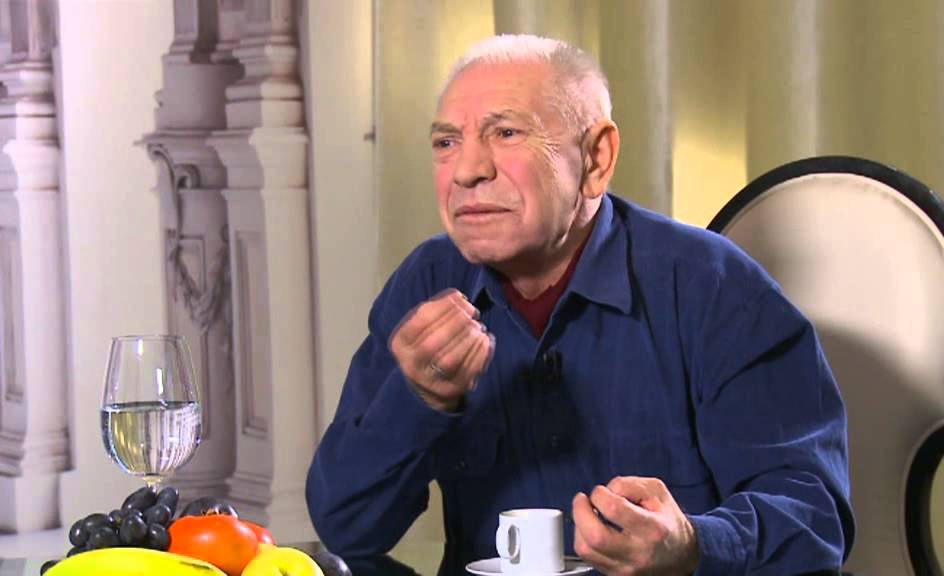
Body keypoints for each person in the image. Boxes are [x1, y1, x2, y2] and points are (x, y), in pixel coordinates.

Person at [307, 34, 854, 575]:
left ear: (596, 158)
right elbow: (347, 528)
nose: (467, 171)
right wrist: (416, 400)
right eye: (447, 142)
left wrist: (692, 543)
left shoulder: (715, 287)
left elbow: (815, 518)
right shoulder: (428, 282)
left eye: (506, 132)